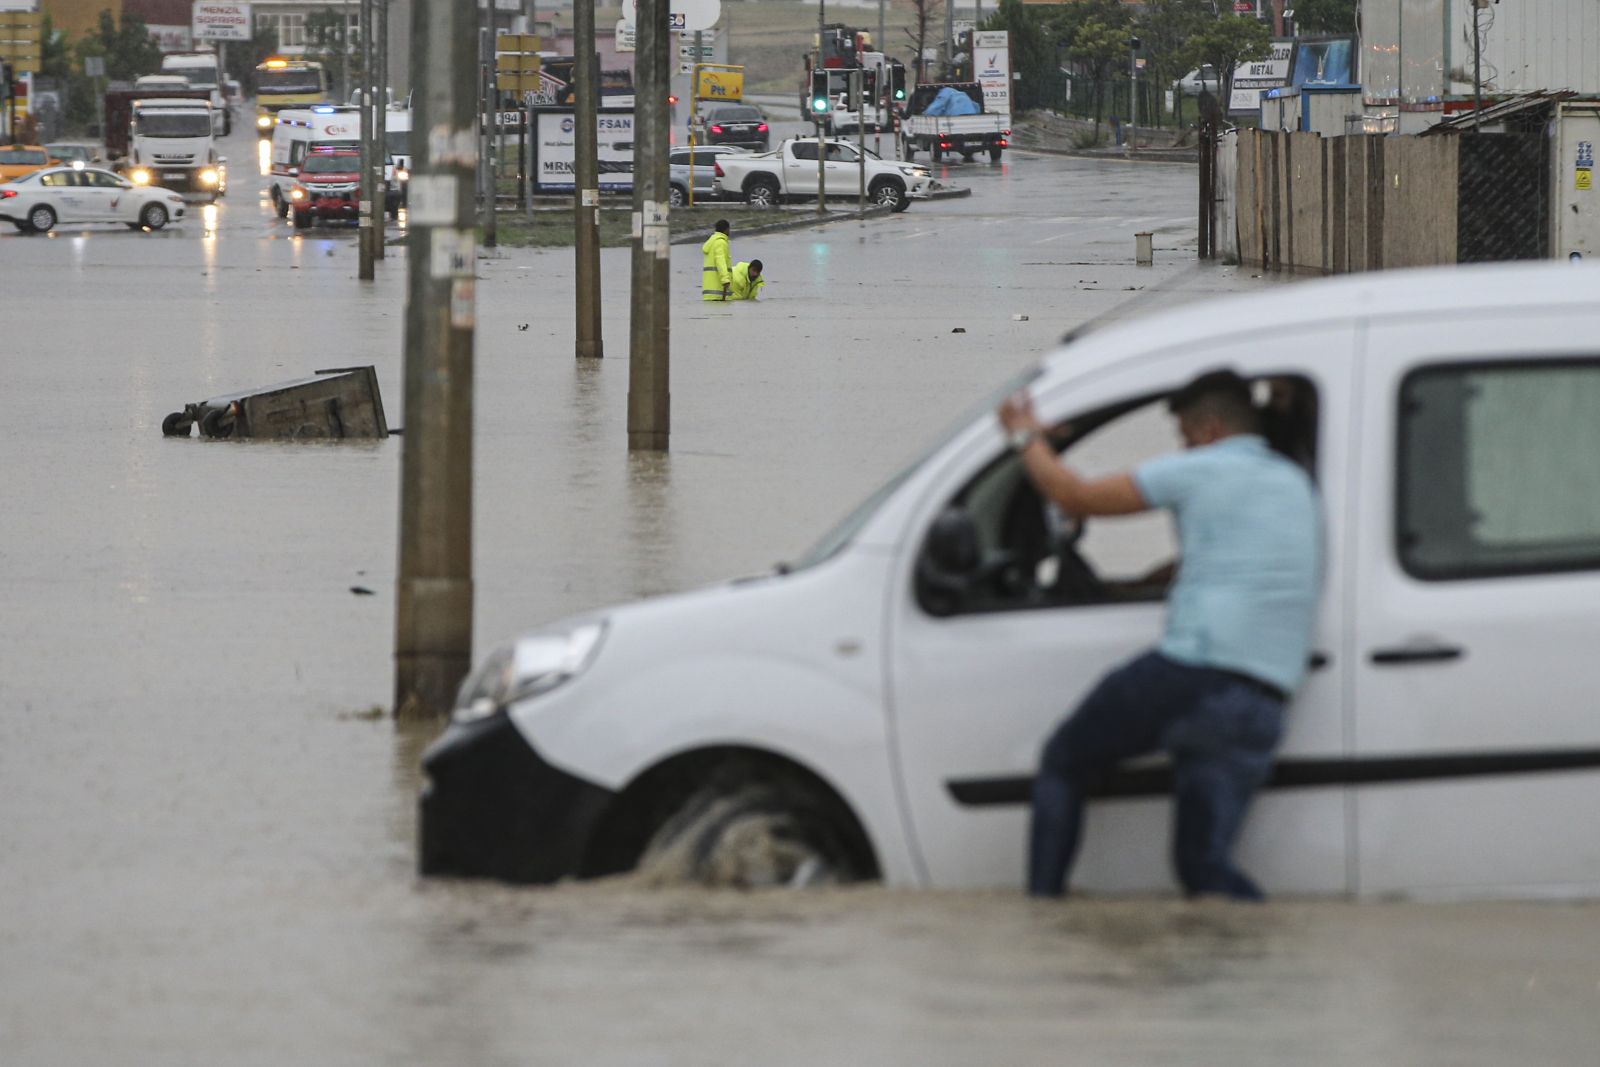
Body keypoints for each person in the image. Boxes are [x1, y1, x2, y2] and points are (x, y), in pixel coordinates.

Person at [997, 369, 1321, 901]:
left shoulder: (1201, 469)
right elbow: (1237, 557)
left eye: (1184, 435)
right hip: (1263, 698)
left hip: (1196, 675)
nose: (1182, 447)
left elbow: (1073, 496)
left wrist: (1022, 435)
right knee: (1202, 868)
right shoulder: (1294, 483)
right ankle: (1264, 962)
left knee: (1063, 761)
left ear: (1209, 429)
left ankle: (1044, 915)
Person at [701, 219, 732, 301]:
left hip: (709, 293)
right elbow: (720, 262)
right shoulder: (720, 243)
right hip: (718, 292)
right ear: (726, 229)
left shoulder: (712, 243)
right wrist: (725, 280)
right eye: (729, 229)